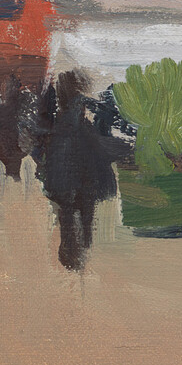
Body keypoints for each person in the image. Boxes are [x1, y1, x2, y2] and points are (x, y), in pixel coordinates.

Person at [40, 72, 130, 270]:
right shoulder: (80, 123)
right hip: (83, 180)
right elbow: (102, 147)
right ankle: (79, 252)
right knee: (83, 216)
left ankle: (71, 254)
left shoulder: (61, 124)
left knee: (68, 215)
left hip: (64, 179)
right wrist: (129, 148)